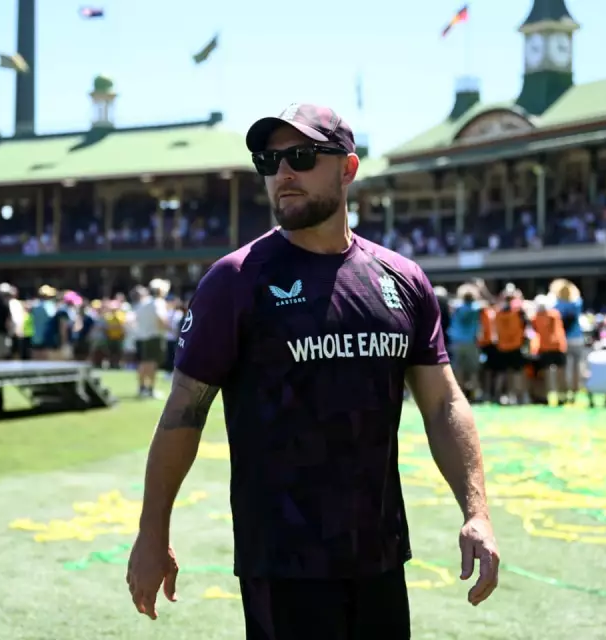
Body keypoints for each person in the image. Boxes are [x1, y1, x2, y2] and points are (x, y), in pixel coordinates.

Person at [126, 103, 499, 639]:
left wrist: (476, 511)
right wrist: (152, 531)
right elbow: (183, 414)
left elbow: (443, 404)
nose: (283, 172)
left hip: (379, 554)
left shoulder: (402, 280)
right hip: (283, 564)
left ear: (348, 168)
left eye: (301, 156)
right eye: (269, 161)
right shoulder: (235, 281)